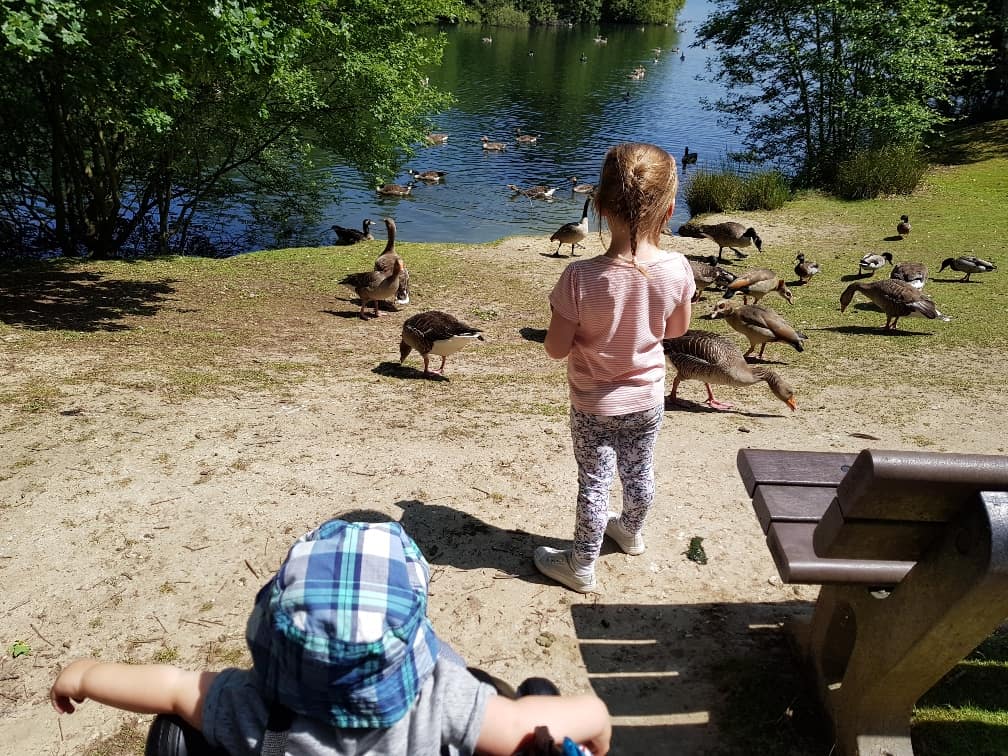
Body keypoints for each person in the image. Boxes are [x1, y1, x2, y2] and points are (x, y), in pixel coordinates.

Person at [51, 519, 611, 755]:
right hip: (469, 710)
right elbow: (586, 717)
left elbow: (173, 689)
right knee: (532, 692)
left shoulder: (252, 710)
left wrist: (85, 675)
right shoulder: (443, 702)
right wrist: (599, 724)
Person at [534, 143, 695, 593]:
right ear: (668, 211)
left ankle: (580, 566)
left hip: (593, 405)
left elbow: (555, 349)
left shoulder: (579, 278)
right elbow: (676, 330)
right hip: (647, 400)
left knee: (595, 483)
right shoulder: (678, 268)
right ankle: (630, 532)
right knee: (640, 473)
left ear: (601, 207)